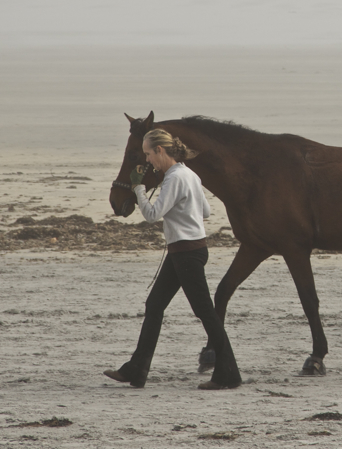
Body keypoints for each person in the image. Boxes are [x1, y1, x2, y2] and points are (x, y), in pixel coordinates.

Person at [104, 128, 242, 390]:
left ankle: (229, 374)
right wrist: (183, 214)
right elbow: (207, 211)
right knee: (155, 305)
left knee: (206, 314)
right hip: (186, 250)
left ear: (160, 150)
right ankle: (137, 370)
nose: (146, 161)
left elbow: (153, 214)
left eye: (148, 154)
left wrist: (138, 190)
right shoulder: (189, 174)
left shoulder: (174, 178)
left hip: (187, 253)